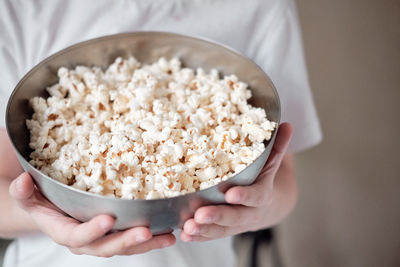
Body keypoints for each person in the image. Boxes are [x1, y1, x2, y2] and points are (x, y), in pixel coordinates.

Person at [0, 0, 322, 266]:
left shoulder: (264, 7)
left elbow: (283, 184)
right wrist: (38, 214)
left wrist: (257, 209)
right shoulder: (19, 9)